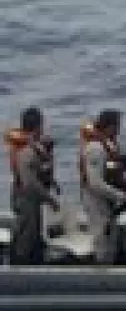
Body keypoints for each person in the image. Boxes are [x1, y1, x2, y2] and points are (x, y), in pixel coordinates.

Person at [4, 107, 60, 265]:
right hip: (25, 197)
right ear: (37, 126)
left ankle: (33, 263)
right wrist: (49, 198)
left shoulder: (34, 147)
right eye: (41, 125)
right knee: (26, 237)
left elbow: (40, 172)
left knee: (33, 233)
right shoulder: (26, 151)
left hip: (30, 198)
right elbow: (30, 183)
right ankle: (19, 270)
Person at [79, 109, 126, 264]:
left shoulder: (111, 146)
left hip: (109, 199)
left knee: (112, 236)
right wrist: (121, 195)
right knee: (102, 236)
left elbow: (116, 173)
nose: (118, 130)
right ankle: (100, 270)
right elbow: (95, 183)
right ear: (108, 127)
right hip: (96, 200)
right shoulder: (95, 149)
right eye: (117, 126)